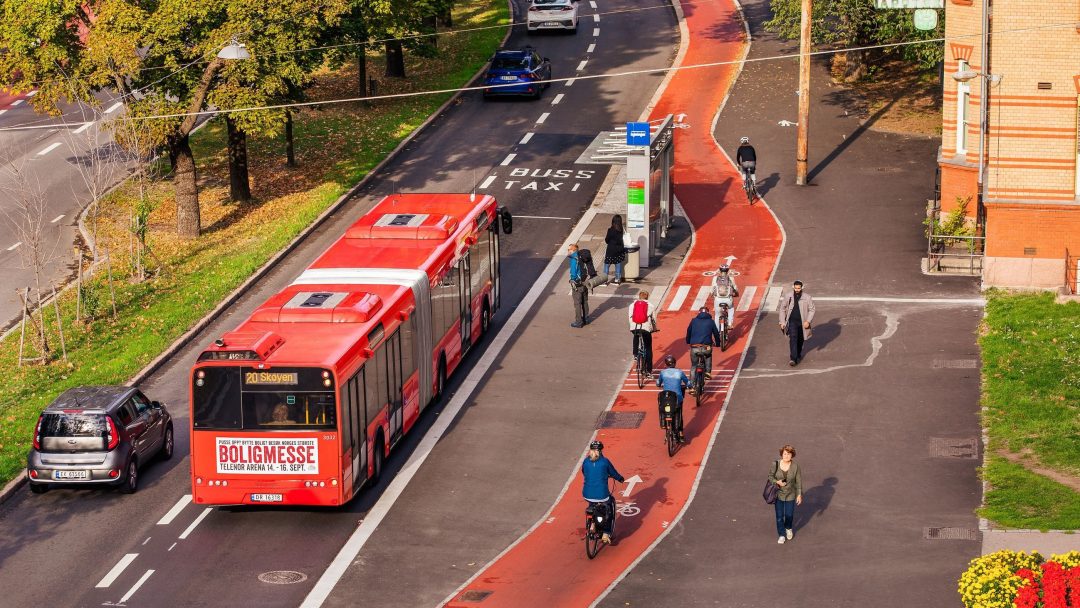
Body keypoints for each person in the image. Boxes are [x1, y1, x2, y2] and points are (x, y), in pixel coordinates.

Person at [581, 440, 624, 544]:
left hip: (587, 493)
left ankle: (592, 525)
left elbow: (584, 472)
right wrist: (620, 479)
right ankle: (606, 533)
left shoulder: (586, 461)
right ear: (600, 451)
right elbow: (613, 473)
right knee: (609, 508)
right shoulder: (605, 462)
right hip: (602, 494)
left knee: (592, 503)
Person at [768, 444, 803, 544]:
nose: (786, 456)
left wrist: (799, 494)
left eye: (788, 454)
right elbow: (770, 477)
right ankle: (781, 534)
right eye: (784, 454)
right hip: (778, 494)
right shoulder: (775, 464)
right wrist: (777, 482)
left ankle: (788, 528)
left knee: (789, 515)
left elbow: (798, 481)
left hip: (790, 494)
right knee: (779, 516)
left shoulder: (795, 467)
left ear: (792, 455)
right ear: (781, 454)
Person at [778, 279, 816, 366]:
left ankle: (798, 354)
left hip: (803, 323)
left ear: (802, 287)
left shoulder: (807, 297)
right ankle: (793, 358)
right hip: (792, 322)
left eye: (799, 288)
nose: (797, 290)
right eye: (796, 288)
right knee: (793, 338)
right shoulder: (788, 296)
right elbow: (782, 309)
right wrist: (782, 322)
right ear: (793, 287)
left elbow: (812, 309)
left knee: (800, 339)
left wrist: (808, 321)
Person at [685, 306, 721, 390]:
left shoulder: (693, 321)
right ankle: (708, 372)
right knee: (708, 356)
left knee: (694, 366)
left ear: (699, 312)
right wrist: (718, 343)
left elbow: (688, 331)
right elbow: (716, 333)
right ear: (708, 313)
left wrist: (688, 341)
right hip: (706, 347)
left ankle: (692, 386)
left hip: (694, 347)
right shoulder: (711, 322)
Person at [654, 354, 689, 442]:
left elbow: (658, 383)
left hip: (666, 397)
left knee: (662, 408)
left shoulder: (663, 372)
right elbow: (688, 382)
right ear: (675, 363)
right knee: (678, 412)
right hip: (677, 397)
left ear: (666, 364)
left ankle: (663, 423)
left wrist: (658, 383)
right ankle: (680, 433)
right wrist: (690, 386)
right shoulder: (679, 372)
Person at [628, 290, 656, 377]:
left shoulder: (632, 305)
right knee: (648, 348)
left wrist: (632, 326)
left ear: (639, 296)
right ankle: (648, 371)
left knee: (636, 334)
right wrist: (654, 328)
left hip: (634, 327)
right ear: (647, 297)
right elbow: (653, 319)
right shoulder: (650, 305)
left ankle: (635, 354)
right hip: (645, 329)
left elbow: (630, 317)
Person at [710, 264, 739, 332]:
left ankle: (717, 331)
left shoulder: (715, 278)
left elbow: (712, 290)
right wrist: (737, 294)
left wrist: (711, 294)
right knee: (731, 308)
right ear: (728, 271)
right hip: (728, 299)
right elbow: (735, 288)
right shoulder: (731, 278)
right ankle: (729, 324)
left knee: (717, 315)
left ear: (720, 270)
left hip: (718, 300)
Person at [567, 243, 590, 328]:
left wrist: (572, 280)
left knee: (577, 303)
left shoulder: (574, 259)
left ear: (573, 250)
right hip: (585, 282)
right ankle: (586, 319)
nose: (568, 251)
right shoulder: (582, 256)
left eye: (569, 249)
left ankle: (578, 322)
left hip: (578, 283)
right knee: (585, 301)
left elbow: (573, 272)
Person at [603, 215, 627, 285]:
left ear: (613, 221)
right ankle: (617, 280)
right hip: (619, 250)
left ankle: (605, 281)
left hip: (611, 250)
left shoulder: (610, 230)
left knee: (607, 265)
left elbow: (607, 240)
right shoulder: (621, 229)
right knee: (618, 265)